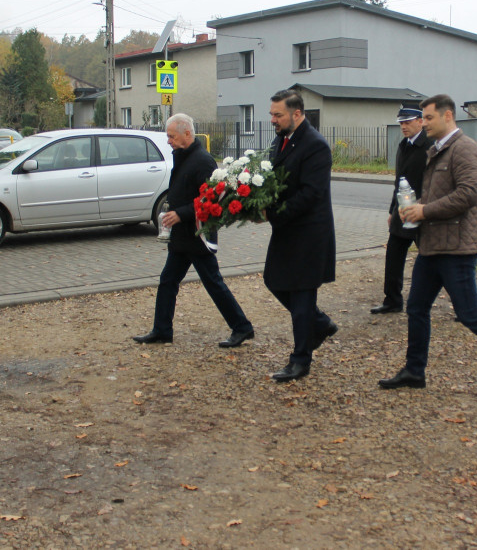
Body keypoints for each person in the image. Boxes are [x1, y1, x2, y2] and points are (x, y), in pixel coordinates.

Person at [379, 94, 477, 399]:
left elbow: (468, 195)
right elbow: (437, 194)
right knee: (417, 308)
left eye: (429, 117)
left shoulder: (465, 148)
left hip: (457, 248)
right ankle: (414, 370)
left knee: (470, 313)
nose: (424, 123)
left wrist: (424, 211)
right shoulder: (437, 149)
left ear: (448, 116)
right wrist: (415, 207)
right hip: (432, 246)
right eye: (422, 118)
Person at [132, 113, 255, 348]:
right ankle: (162, 330)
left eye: (171, 136)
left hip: (198, 235)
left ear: (187, 133)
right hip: (181, 235)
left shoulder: (202, 161)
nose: (168, 141)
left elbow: (211, 200)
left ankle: (242, 327)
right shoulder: (183, 155)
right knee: (168, 281)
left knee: (213, 283)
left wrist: (181, 213)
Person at [264, 89, 338, 382]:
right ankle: (319, 324)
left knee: (302, 295)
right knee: (273, 279)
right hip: (286, 230)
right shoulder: (281, 139)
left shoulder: (315, 145)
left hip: (309, 233)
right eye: (271, 114)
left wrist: (272, 213)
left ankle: (300, 359)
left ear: (297, 113)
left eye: (278, 114)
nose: (273, 119)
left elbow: (311, 193)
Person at [371, 105, 432, 315]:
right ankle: (392, 300)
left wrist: (426, 206)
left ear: (420, 121)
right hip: (402, 208)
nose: (403, 126)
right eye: (401, 123)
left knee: (436, 258)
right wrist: (392, 210)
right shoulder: (403, 145)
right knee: (394, 255)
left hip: (424, 209)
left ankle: (463, 306)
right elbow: (399, 181)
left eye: (407, 122)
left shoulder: (430, 145)